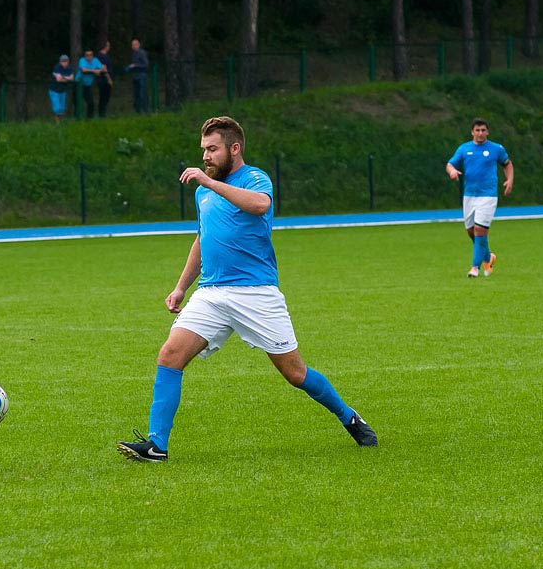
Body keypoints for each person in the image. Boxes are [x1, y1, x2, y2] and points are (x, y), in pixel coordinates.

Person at [117, 116, 377, 463]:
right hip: (211, 293)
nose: (205, 156)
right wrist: (180, 287)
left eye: (213, 149)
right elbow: (202, 239)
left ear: (234, 148)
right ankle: (156, 445)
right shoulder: (204, 191)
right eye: (203, 150)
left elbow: (259, 205)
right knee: (170, 355)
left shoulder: (255, 179)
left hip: (256, 293)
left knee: (295, 373)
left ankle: (349, 417)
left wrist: (209, 183)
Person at [446, 118, 513, 278]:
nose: (480, 133)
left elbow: (507, 164)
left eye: (483, 130)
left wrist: (509, 179)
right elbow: (450, 164)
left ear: (487, 132)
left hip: (488, 196)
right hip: (469, 195)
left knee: (479, 230)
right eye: (477, 130)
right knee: (471, 232)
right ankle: (488, 258)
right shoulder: (464, 149)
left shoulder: (496, 149)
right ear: (472, 132)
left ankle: (474, 268)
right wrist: (452, 171)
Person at [77, 48, 104, 119]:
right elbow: (83, 70)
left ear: (93, 55)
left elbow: (103, 68)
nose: (89, 57)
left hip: (87, 85)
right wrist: (94, 71)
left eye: (90, 55)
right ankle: (77, 118)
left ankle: (90, 119)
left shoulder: (95, 60)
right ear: (84, 56)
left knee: (91, 103)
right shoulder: (82, 60)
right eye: (87, 55)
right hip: (79, 84)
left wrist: (99, 70)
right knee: (77, 102)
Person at [49, 55, 75, 124]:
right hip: (54, 90)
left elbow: (72, 78)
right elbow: (58, 80)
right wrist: (67, 78)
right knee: (57, 108)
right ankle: (57, 123)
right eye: (63, 61)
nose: (64, 63)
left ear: (68, 61)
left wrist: (63, 77)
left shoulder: (69, 68)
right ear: (60, 62)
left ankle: (61, 123)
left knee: (62, 108)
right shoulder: (57, 67)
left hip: (63, 90)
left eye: (66, 61)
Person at [126, 38, 149, 114]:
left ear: (139, 45)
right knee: (136, 94)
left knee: (142, 93)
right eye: (133, 45)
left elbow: (145, 65)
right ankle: (138, 111)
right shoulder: (134, 54)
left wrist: (135, 65)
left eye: (135, 44)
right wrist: (130, 67)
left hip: (142, 75)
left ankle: (146, 110)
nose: (134, 46)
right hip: (135, 76)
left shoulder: (142, 53)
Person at [95, 41, 114, 118]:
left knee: (103, 97)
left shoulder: (99, 55)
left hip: (101, 80)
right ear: (106, 46)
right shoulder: (102, 56)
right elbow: (104, 69)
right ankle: (102, 115)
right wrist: (109, 79)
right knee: (104, 97)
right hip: (104, 80)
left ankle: (102, 114)